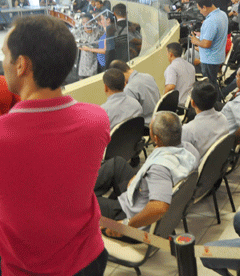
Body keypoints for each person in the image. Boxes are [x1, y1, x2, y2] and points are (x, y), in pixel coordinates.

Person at [0, 15, 110, 274]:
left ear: (21, 65)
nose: (3, 62)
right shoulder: (97, 119)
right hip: (88, 260)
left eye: (5, 54)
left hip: (26, 269)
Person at [96, 111, 198, 239]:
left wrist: (127, 225)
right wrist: (139, 176)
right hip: (141, 195)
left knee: (86, 201)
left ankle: (80, 200)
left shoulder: (159, 169)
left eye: (150, 129)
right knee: (117, 163)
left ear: (156, 138)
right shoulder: (190, 150)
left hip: (131, 215)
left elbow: (159, 207)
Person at [189, 0, 228, 92]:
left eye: (200, 10)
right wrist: (202, 35)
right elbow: (215, 34)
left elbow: (206, 44)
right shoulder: (222, 14)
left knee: (209, 86)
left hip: (209, 60)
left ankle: (215, 104)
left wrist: (195, 41)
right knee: (212, 83)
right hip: (217, 56)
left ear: (204, 7)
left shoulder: (210, 21)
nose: (200, 13)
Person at [108, 60, 161, 126]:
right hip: (158, 119)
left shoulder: (129, 88)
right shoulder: (148, 76)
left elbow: (129, 118)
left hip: (146, 126)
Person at [164, 42, 195, 107]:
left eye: (167, 53)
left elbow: (170, 86)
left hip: (178, 105)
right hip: (190, 103)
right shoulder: (191, 66)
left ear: (170, 54)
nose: (166, 55)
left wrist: (162, 100)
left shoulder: (172, 68)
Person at [76, 13, 102, 79]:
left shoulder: (98, 32)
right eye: (83, 22)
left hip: (94, 60)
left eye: (87, 22)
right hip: (83, 62)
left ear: (92, 22)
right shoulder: (80, 32)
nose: (85, 24)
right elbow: (77, 43)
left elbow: (102, 45)